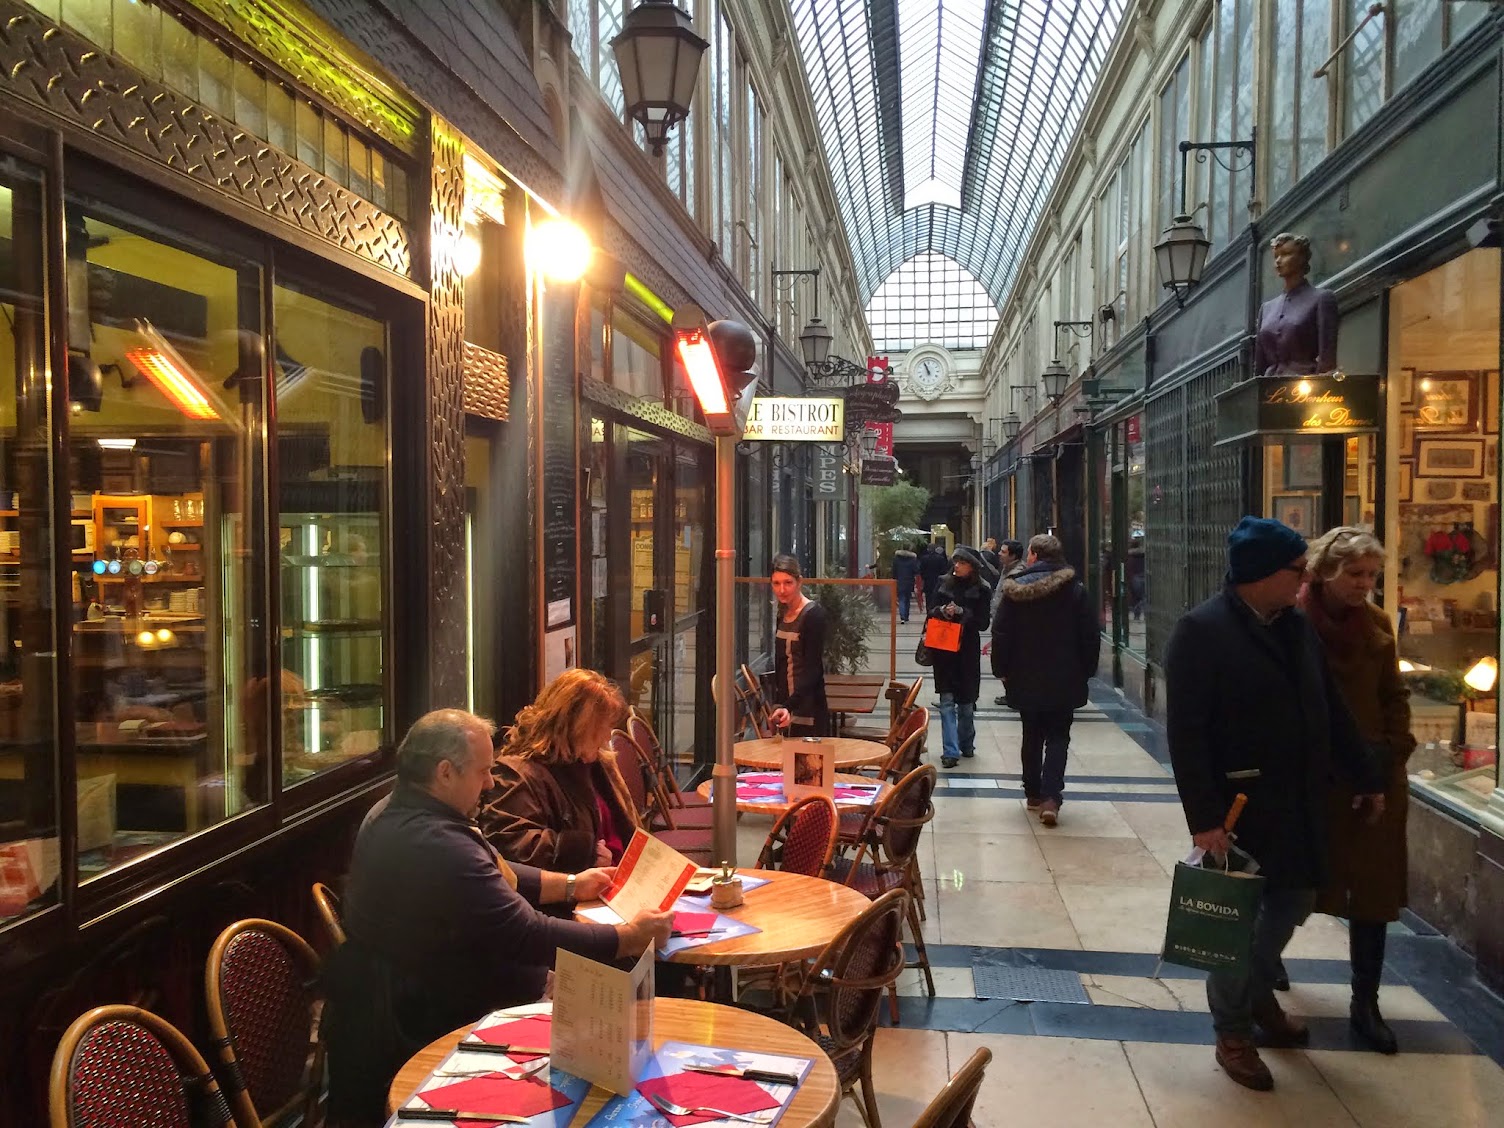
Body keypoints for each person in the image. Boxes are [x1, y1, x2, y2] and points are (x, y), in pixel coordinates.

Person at [323, 709, 673, 1121]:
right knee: (615, 1030)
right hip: (432, 1015)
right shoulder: (433, 842)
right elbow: (525, 934)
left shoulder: (402, 807)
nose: (490, 783)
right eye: (483, 772)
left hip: (413, 990)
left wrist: (572, 884)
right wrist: (627, 937)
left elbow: (492, 866)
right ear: (445, 773)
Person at [1165, 517, 1385, 1092]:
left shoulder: (1296, 625)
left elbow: (1330, 708)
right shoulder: (1201, 631)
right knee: (1233, 922)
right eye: (1297, 569)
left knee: (1294, 901)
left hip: (1298, 801)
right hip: (1239, 808)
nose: (1306, 578)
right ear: (1261, 573)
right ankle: (1233, 1032)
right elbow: (1186, 734)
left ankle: (1256, 992)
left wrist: (1365, 773)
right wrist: (1205, 820)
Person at [1298, 527, 1414, 1054]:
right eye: (1355, 574)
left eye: (1371, 575)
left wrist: (1391, 752)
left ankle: (1365, 1002)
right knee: (1293, 883)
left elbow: (1394, 695)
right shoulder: (1295, 625)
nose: (1365, 584)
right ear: (1325, 571)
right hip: (1315, 777)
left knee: (1373, 891)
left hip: (1374, 774)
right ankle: (1267, 966)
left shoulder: (1377, 625)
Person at [480, 669, 641, 874]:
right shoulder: (517, 773)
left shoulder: (594, 761)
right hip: (578, 887)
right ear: (576, 727)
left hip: (619, 877)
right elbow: (513, 844)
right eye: (601, 727)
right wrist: (586, 853)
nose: (607, 736)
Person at [990, 534, 1099, 822]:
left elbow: (1001, 633)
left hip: (1024, 674)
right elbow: (1090, 634)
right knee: (1059, 736)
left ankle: (1033, 792)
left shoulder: (1015, 591)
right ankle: (1051, 797)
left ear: (1035, 556)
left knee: (1032, 733)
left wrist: (1001, 668)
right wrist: (1087, 669)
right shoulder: (1075, 590)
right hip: (1065, 675)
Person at [928, 546, 992, 768]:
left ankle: (966, 743)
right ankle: (950, 751)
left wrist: (963, 612)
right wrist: (942, 611)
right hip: (944, 650)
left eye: (962, 562)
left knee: (966, 703)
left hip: (967, 651)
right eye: (955, 561)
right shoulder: (943, 583)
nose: (957, 565)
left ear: (972, 566)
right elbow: (931, 610)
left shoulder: (982, 589)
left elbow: (983, 623)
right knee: (946, 701)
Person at [1253, 231, 1338, 377]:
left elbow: (1327, 360)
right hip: (1269, 386)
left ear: (1302, 258)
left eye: (1286, 254)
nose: (1278, 260)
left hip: (1304, 384)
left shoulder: (1321, 299)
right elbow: (1259, 367)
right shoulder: (1266, 309)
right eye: (1276, 256)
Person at [767, 554, 829, 737]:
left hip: (808, 708)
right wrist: (779, 704)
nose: (782, 590)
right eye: (776, 583)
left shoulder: (813, 615)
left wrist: (789, 705)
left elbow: (813, 670)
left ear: (799, 582)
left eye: (788, 583)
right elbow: (781, 664)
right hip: (786, 707)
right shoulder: (782, 613)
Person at [892, 541, 921, 624]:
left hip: (899, 580)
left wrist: (894, 578)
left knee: (901, 598)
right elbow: (916, 570)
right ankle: (906, 616)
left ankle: (902, 617)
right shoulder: (913, 559)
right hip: (909, 581)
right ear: (910, 548)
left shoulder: (896, 558)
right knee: (907, 599)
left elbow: (894, 570)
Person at [919, 541, 948, 612]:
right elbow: (944, 570)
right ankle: (935, 610)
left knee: (928, 597)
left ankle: (928, 610)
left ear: (928, 549)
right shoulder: (941, 558)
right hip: (938, 580)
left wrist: (923, 577)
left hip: (927, 581)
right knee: (937, 596)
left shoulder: (924, 558)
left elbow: (921, 570)